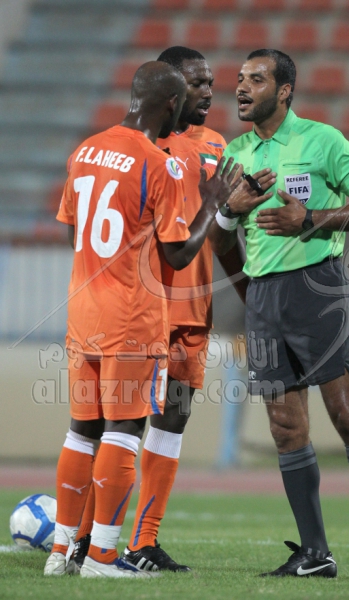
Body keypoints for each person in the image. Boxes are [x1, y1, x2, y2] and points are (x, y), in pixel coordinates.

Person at [68, 46, 263, 574]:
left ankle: (143, 541)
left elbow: (219, 235)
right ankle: (86, 539)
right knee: (114, 425)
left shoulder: (218, 148)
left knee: (171, 421)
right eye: (197, 84)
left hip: (191, 311)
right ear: (170, 90)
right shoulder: (142, 145)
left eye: (210, 83)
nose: (209, 93)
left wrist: (249, 293)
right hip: (139, 309)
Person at [209, 48, 349, 583]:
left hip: (319, 292)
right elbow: (219, 240)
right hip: (264, 301)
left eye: (256, 79)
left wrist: (311, 219)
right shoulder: (236, 155)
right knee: (285, 427)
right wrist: (230, 212)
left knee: (348, 416)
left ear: (284, 90)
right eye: (239, 78)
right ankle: (316, 552)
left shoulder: (323, 140)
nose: (241, 87)